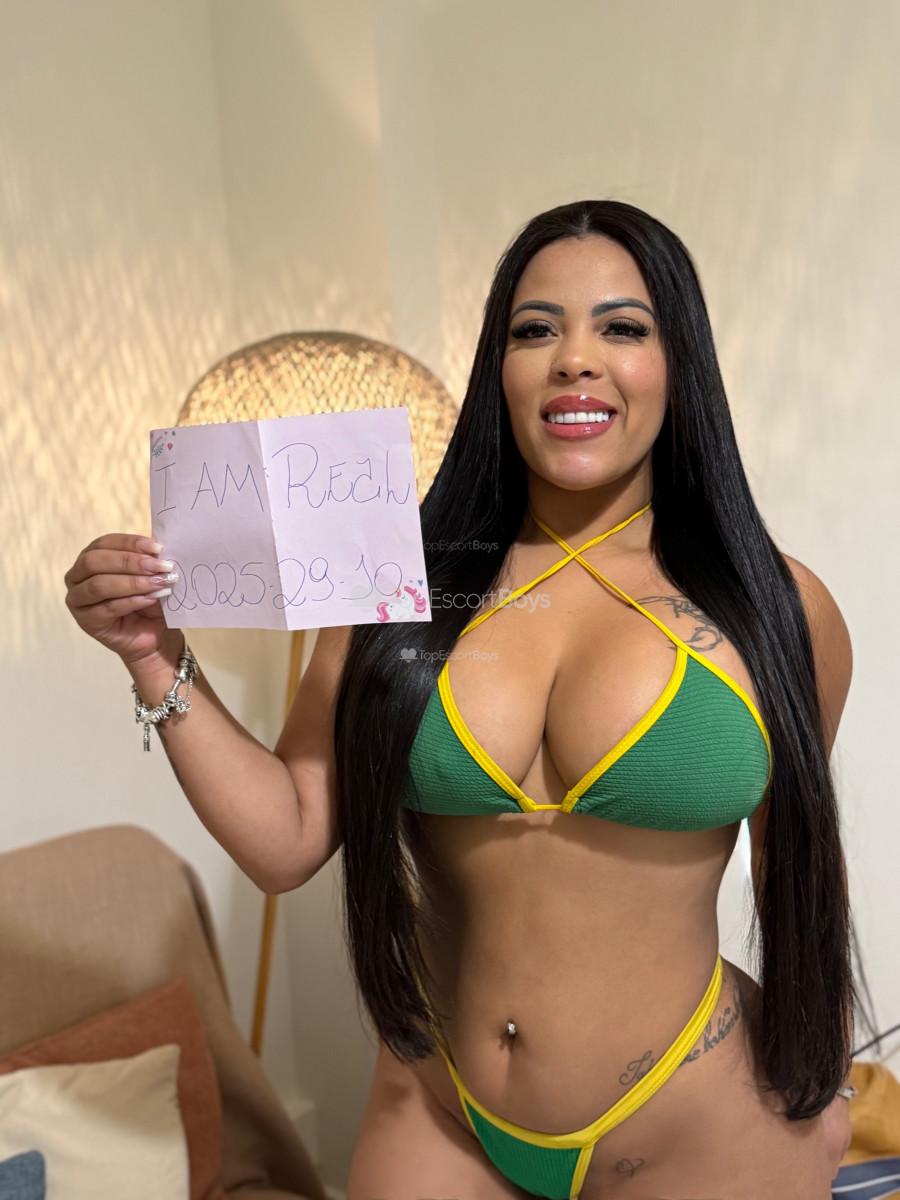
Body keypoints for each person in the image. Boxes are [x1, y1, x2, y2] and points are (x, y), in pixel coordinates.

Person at [65, 199, 856, 1199]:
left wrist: (822, 1084)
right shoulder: (398, 587)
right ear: (500, 369)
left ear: (679, 364)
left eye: (622, 327)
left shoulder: (777, 608)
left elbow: (798, 872)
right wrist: (152, 656)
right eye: (535, 330)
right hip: (439, 1109)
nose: (575, 359)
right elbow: (287, 838)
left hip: (693, 1118)